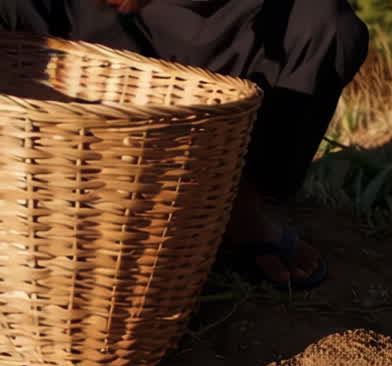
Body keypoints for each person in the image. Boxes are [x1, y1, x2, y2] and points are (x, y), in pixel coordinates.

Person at [0, 0, 370, 289]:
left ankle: (240, 208)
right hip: (98, 35)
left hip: (229, 26)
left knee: (326, 26)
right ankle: (40, 209)